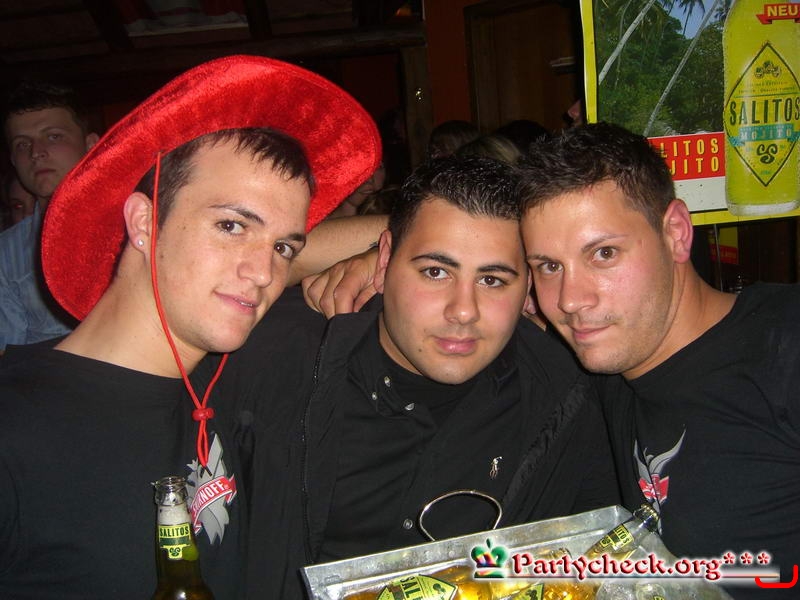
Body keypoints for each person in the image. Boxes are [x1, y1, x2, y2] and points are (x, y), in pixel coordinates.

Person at [0, 55, 381, 600]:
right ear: (143, 221)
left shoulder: (223, 372)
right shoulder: (17, 427)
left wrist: (384, 253)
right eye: (231, 225)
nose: (264, 272)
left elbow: (446, 239)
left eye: (283, 247)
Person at [222, 155, 620, 599]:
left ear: (527, 285)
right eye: (435, 272)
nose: (463, 311)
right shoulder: (274, 360)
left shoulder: (564, 394)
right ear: (384, 260)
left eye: (492, 280)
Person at [518, 122, 799, 598]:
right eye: (549, 266)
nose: (570, 299)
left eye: (604, 253)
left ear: (675, 233)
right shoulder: (606, 367)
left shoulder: (785, 346)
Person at [0, 81, 100, 349]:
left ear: (91, 145)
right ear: (13, 160)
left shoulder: (137, 223)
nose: (36, 153)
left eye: (53, 136)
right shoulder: (6, 254)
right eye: (22, 144)